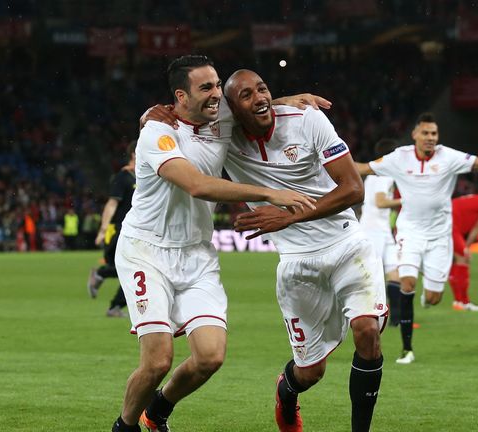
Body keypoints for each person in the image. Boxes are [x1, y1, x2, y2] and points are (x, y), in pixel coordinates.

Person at [145, 68, 387, 432]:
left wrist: (290, 215)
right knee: (309, 372)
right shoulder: (223, 133)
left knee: (367, 332)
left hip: (346, 243)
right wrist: (150, 114)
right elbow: (173, 115)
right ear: (231, 111)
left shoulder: (308, 120)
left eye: (263, 89)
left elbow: (354, 189)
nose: (259, 98)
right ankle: (286, 392)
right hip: (296, 263)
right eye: (246, 96)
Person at [111, 56, 316, 432]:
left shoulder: (219, 115)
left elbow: (251, 104)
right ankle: (124, 427)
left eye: (218, 85)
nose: (217, 95)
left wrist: (291, 99)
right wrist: (269, 194)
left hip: (197, 254)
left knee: (210, 357)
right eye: (206, 88)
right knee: (157, 361)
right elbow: (196, 184)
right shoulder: (157, 132)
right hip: (146, 251)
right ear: (180, 96)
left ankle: (157, 412)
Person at [356, 112, 478, 364]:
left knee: (435, 298)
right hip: (410, 231)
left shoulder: (448, 156)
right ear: (415, 134)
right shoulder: (399, 157)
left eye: (434, 134)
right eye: (425, 133)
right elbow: (362, 167)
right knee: (406, 283)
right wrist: (323, 160)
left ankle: (430, 291)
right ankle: (407, 349)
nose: (430, 138)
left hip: (439, 236)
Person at [88, 142, 136, 318]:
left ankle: (114, 303)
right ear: (133, 154)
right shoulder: (124, 177)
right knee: (132, 268)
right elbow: (112, 203)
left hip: (137, 232)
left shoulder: (144, 177)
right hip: (119, 230)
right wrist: (103, 229)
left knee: (133, 269)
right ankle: (113, 302)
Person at [359, 138, 402, 325]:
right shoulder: (383, 176)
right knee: (372, 276)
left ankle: (396, 319)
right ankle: (369, 315)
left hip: (383, 230)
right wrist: (406, 200)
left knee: (395, 272)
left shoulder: (374, 175)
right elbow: (380, 202)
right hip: (372, 231)